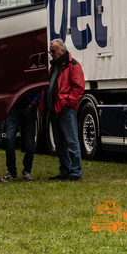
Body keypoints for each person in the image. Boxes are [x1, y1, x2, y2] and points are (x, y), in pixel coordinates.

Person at [40, 38, 85, 181]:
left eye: (53, 51)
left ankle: (76, 173)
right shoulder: (55, 66)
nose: (51, 54)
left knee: (72, 142)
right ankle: (65, 172)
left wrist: (67, 102)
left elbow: (79, 87)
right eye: (50, 51)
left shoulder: (72, 65)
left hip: (65, 110)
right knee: (59, 144)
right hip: (54, 110)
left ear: (62, 50)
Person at [2, 92, 40, 181]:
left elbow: (39, 88)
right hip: (13, 109)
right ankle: (11, 171)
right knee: (9, 139)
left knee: (29, 142)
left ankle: (27, 170)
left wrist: (34, 103)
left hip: (28, 108)